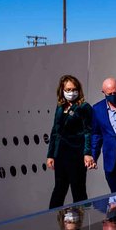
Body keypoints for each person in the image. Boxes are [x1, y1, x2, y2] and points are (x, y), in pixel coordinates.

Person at [47, 75, 95, 209]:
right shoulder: (60, 107)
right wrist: (50, 155)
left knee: (78, 190)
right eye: (68, 89)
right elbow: (55, 131)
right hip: (60, 155)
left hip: (76, 155)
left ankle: (83, 222)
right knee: (58, 190)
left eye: (74, 89)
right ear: (62, 90)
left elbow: (88, 132)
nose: (71, 92)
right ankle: (52, 221)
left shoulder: (84, 107)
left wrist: (87, 153)